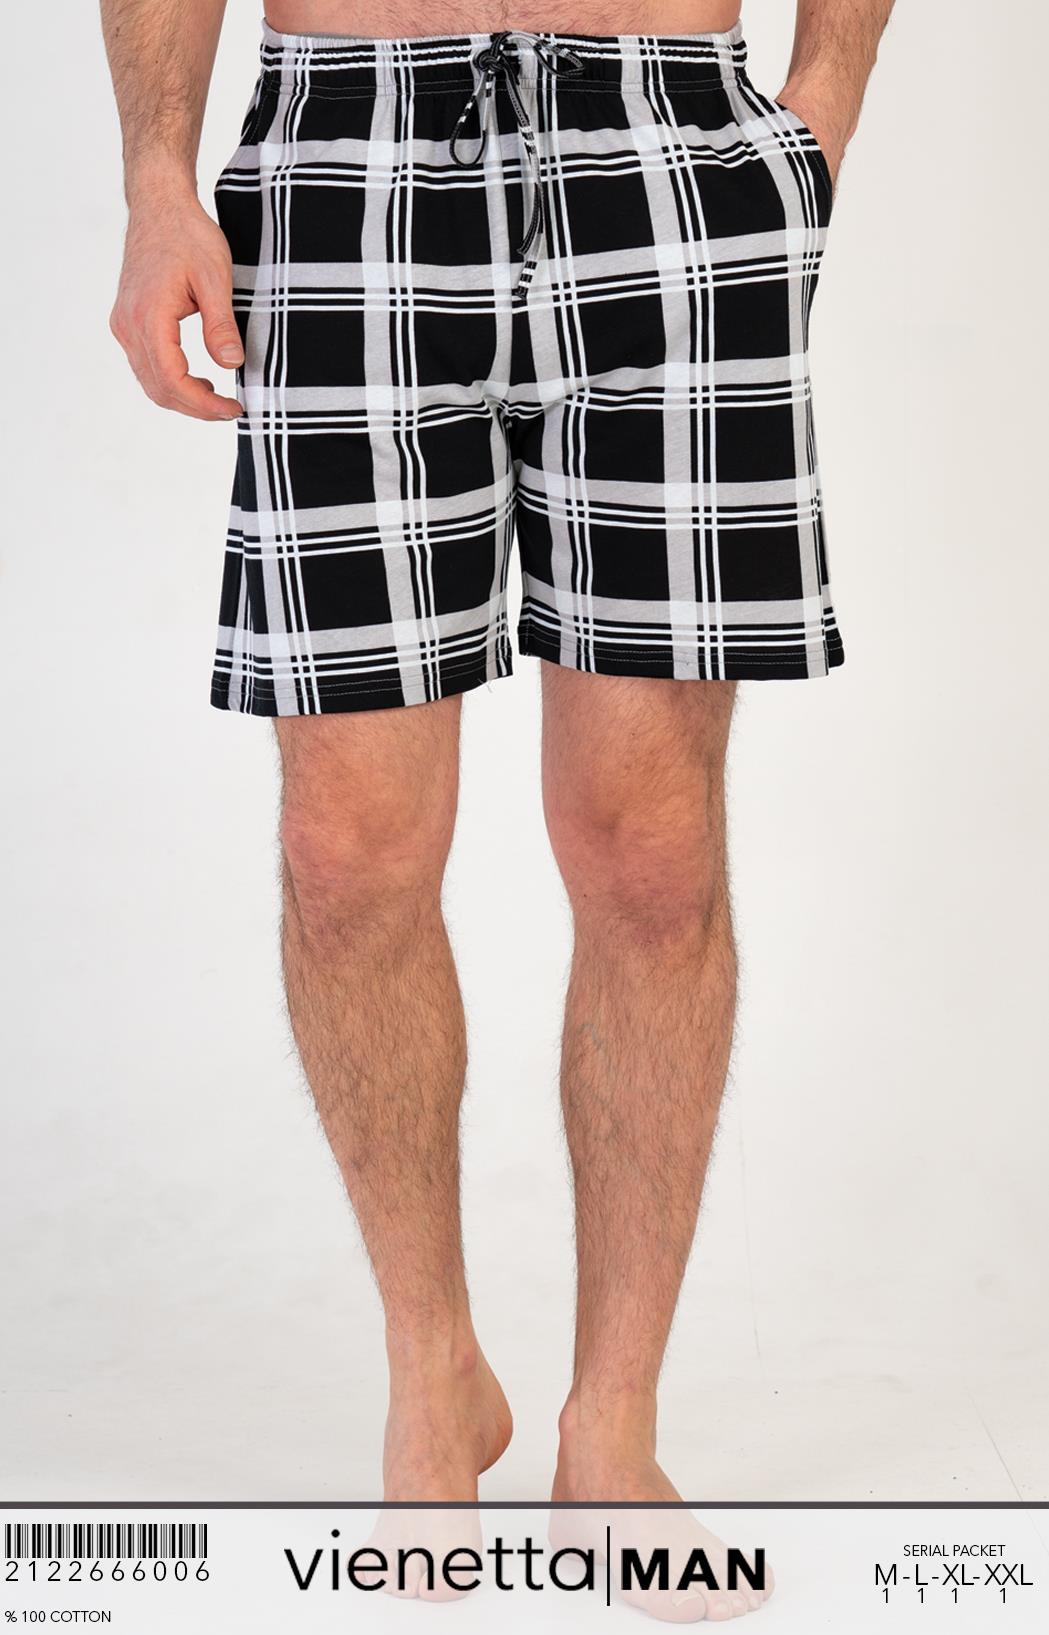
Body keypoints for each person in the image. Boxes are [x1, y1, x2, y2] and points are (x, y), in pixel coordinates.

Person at [103, 0, 893, 1617]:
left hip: (670, 151)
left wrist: (817, 110)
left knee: (650, 856)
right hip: (347, 158)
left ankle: (612, 1433)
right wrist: (156, 173)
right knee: (346, 856)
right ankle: (432, 1377)